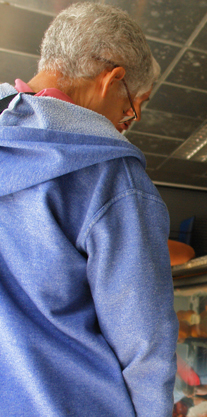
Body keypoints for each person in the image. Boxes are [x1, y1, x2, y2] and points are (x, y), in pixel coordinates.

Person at [0, 3, 178, 416]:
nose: (130, 118)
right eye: (134, 103)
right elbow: (145, 344)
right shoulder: (112, 175)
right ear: (112, 80)